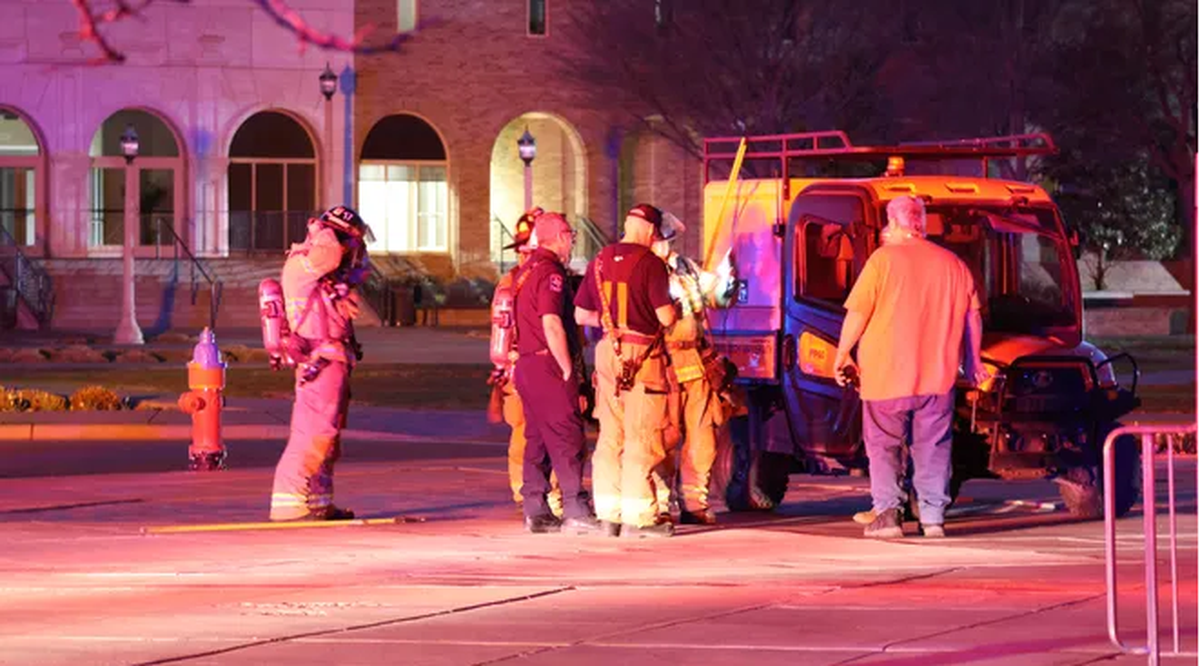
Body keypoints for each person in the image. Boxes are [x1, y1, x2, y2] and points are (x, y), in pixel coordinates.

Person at [833, 195, 986, 539]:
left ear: (892, 221)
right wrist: (972, 361)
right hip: (937, 377)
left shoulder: (882, 261)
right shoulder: (953, 263)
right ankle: (933, 519)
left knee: (884, 446)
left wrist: (842, 354)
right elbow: (972, 316)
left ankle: (888, 516)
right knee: (933, 447)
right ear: (923, 222)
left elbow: (858, 313)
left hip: (885, 377)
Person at [574, 204, 678, 538]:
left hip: (608, 351)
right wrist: (679, 305)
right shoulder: (651, 264)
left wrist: (609, 323)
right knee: (642, 434)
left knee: (610, 434)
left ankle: (609, 515)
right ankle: (640, 518)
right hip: (642, 354)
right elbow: (665, 318)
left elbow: (580, 315)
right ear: (650, 230)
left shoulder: (600, 260)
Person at [269, 205, 372, 522]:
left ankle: (318, 501)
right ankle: (290, 503)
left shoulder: (329, 279)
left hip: (335, 361)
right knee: (313, 433)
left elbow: (361, 269)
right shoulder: (303, 265)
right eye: (350, 243)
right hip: (318, 362)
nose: (353, 251)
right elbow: (328, 255)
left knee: (329, 438)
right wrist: (324, 230)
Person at [512, 211, 603, 535]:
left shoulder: (524, 270)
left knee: (536, 439)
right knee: (568, 437)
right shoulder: (551, 272)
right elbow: (551, 322)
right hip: (547, 364)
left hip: (525, 364)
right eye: (570, 235)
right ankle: (576, 508)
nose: (572, 241)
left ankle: (535, 509)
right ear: (560, 236)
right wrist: (567, 368)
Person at [650, 223, 738, 526]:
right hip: (662, 363)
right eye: (664, 239)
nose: (668, 245)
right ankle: (660, 504)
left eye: (670, 239)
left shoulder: (685, 266)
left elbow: (718, 298)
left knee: (703, 436)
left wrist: (727, 278)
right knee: (663, 437)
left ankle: (694, 502)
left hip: (695, 362)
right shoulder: (645, 270)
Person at [487, 207, 562, 517]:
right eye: (520, 250)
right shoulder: (522, 281)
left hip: (528, 367)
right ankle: (535, 493)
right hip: (527, 367)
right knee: (531, 430)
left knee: (539, 431)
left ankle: (533, 492)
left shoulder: (519, 280)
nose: (522, 255)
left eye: (524, 249)